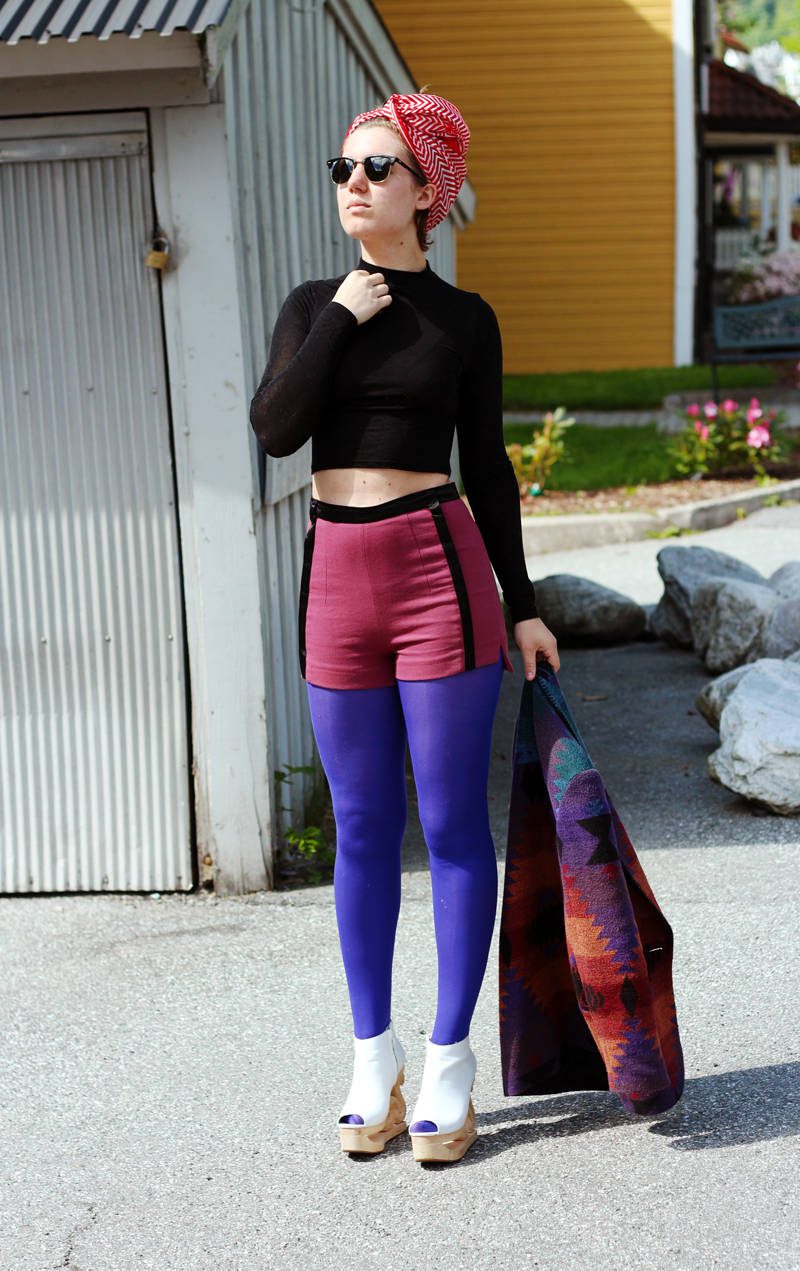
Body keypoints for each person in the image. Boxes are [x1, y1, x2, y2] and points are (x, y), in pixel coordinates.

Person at [249, 92, 559, 1164]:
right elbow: (275, 428)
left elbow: (490, 468)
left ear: (428, 190)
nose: (352, 182)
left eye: (376, 168)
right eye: (342, 166)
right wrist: (342, 312)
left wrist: (522, 605)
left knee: (451, 825)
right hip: (337, 578)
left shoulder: (465, 322)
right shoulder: (311, 304)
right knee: (362, 825)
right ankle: (370, 1059)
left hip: (440, 576)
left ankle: (447, 1065)